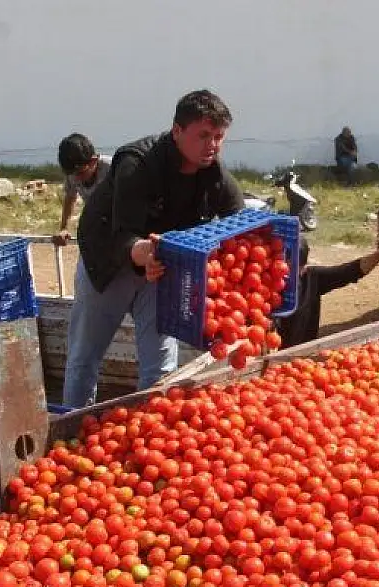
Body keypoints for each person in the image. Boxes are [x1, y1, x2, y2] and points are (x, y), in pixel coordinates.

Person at [64, 89, 244, 408]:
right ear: (177, 131)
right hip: (108, 261)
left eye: (218, 136)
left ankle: (150, 427)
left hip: (159, 264)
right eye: (203, 135)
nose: (212, 145)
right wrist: (145, 251)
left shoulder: (213, 171)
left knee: (160, 364)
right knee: (85, 355)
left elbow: (239, 221)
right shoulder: (137, 162)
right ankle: (70, 426)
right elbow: (122, 236)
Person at [275, 238, 379, 348]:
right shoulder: (265, 287)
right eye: (284, 267)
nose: (287, 274)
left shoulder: (312, 278)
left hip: (301, 359)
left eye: (294, 269)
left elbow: (349, 272)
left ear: (304, 267)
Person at [54, 133, 112, 246]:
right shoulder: (72, 173)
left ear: (93, 161)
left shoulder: (113, 169)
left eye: (81, 173)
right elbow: (70, 197)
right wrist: (64, 228)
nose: (77, 178)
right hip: (96, 225)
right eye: (72, 174)